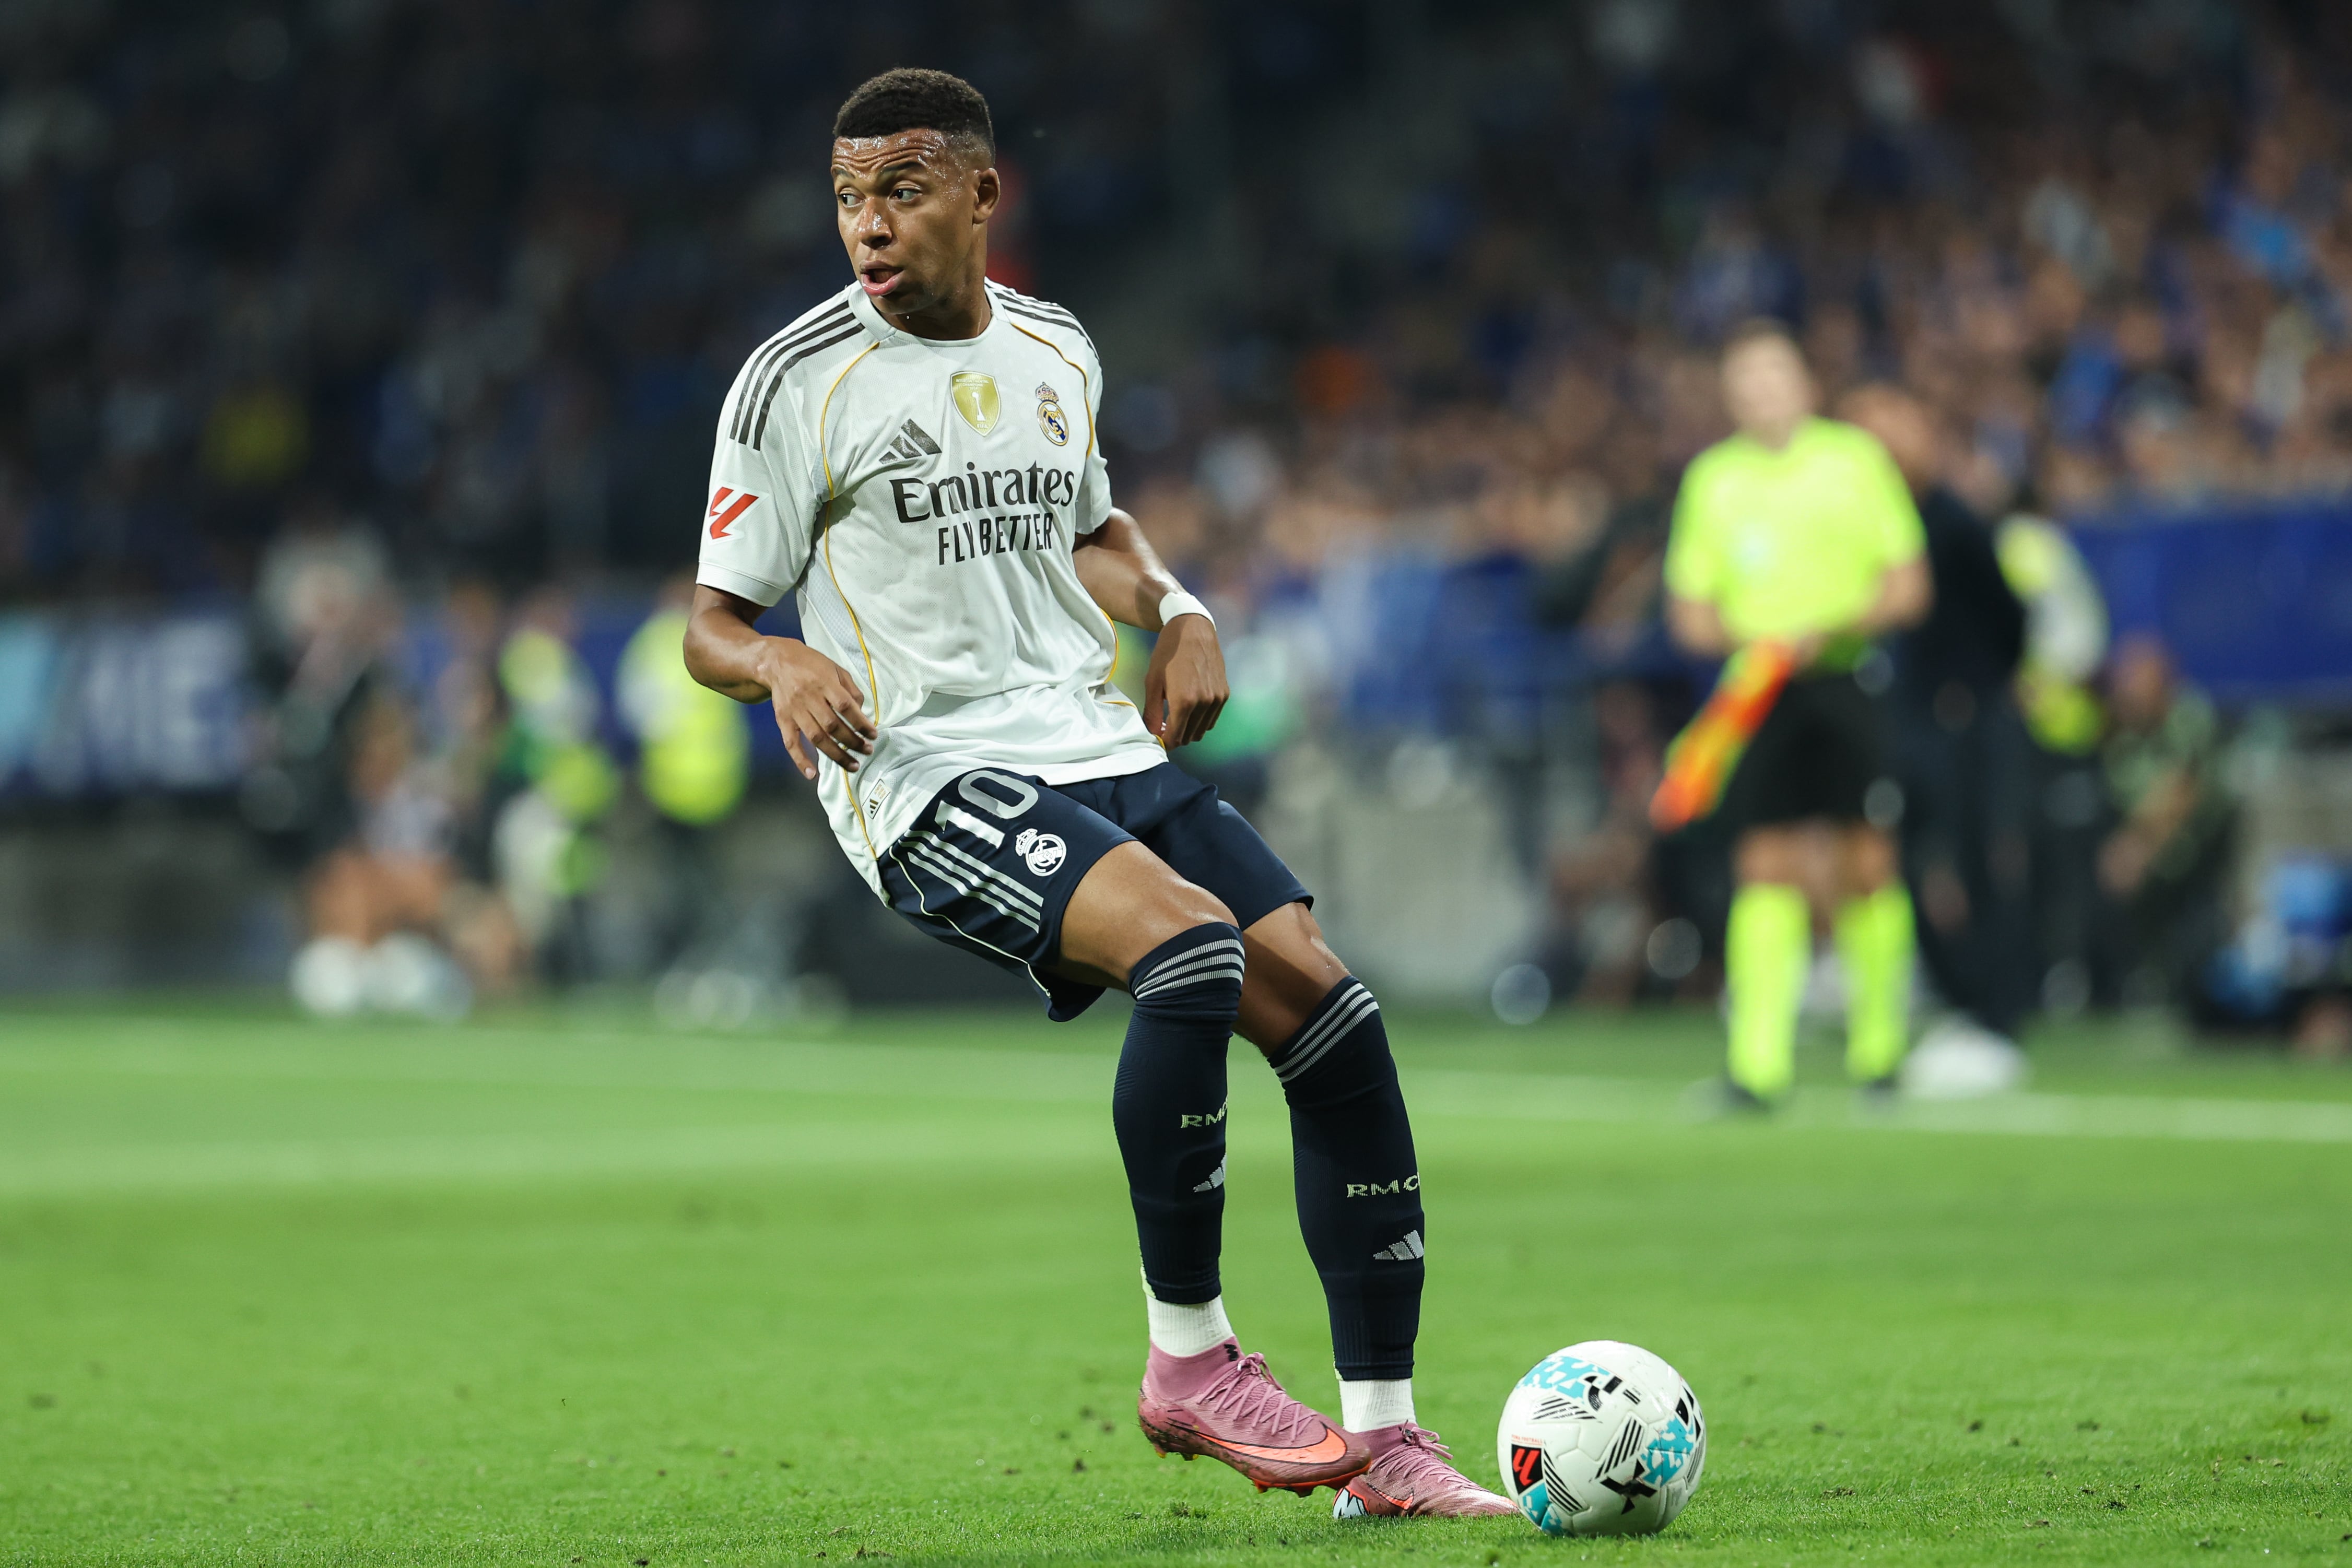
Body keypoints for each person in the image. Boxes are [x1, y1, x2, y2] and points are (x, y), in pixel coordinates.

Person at [678, 69, 1509, 1519]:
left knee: (1333, 1018)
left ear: (985, 196)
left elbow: (1097, 529)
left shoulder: (1058, 344)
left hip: (1093, 743)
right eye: (849, 198)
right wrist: (777, 661)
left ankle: (1388, 1446)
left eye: (903, 191)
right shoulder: (796, 380)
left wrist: (1179, 607)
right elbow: (711, 623)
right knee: (1191, 949)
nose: (867, 227)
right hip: (927, 774)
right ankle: (1188, 1356)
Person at [1662, 322, 1932, 1107]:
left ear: (1805, 383)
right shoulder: (1714, 480)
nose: (1762, 394)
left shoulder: (1854, 462)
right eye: (1746, 383)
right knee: (1764, 863)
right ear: (1730, 397)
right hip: (1759, 689)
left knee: (1867, 859)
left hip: (1846, 680)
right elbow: (1689, 615)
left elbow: (1909, 588)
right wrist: (1761, 638)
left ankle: (1880, 1056)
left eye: (1774, 377)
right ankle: (1759, 1066)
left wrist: (1834, 628)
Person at [1839, 384, 2033, 1091]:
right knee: (1907, 857)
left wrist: (1978, 688)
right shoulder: (1875, 521)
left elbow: (2009, 617)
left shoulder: (1952, 521)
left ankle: (1995, 1018)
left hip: (1970, 713)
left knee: (1983, 859)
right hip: (1912, 714)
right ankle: (1961, 999)